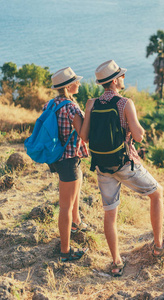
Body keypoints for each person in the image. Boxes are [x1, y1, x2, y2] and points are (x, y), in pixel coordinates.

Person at [80, 60, 164, 277]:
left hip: (102, 166)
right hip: (125, 163)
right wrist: (137, 127)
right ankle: (159, 246)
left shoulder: (91, 103)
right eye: (121, 76)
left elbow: (84, 137)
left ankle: (116, 263)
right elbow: (139, 135)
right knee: (157, 193)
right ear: (115, 81)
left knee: (110, 213)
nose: (123, 78)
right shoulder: (125, 103)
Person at [46, 67, 89, 262]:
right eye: (76, 81)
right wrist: (88, 113)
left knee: (75, 190)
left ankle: (76, 222)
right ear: (69, 86)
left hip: (57, 157)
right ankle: (65, 251)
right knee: (65, 206)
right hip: (68, 159)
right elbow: (84, 136)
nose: (79, 83)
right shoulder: (71, 107)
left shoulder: (51, 103)